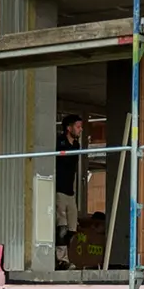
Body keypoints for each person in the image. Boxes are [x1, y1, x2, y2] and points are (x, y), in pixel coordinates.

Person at [55, 113, 84, 267]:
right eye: (78, 127)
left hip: (70, 191)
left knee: (72, 227)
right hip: (59, 189)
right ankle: (61, 259)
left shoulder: (76, 146)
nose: (80, 130)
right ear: (69, 128)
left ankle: (69, 256)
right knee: (62, 226)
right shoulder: (59, 143)